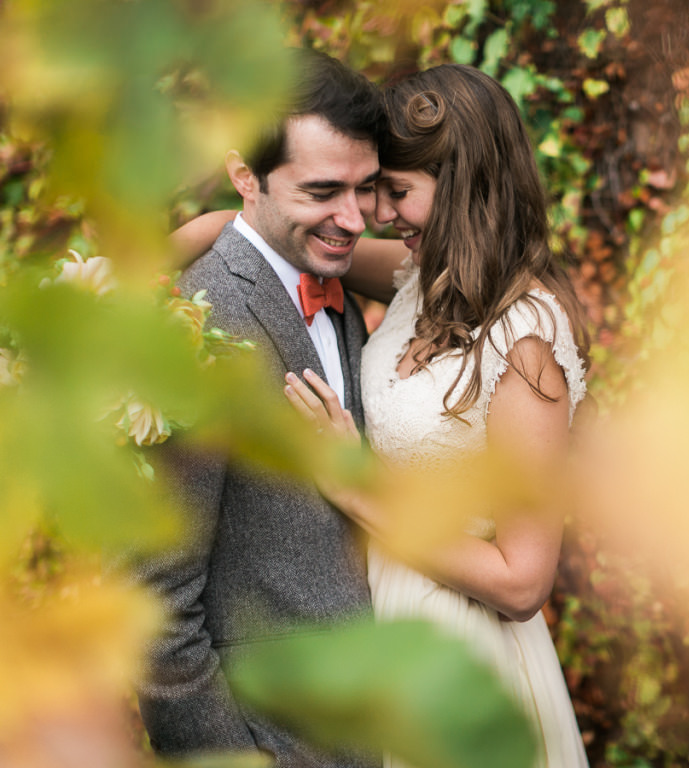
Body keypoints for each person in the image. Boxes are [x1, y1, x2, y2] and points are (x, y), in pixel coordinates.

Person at [176, 63, 591, 767]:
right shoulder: (418, 280)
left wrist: (356, 488)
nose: (377, 214)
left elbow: (524, 583)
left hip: (459, 643)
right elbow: (277, 239)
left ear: (462, 189)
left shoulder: (524, 339)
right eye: (375, 189)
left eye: (394, 192)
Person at [137, 48, 387, 768]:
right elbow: (157, 608)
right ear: (245, 177)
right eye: (322, 190)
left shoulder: (331, 289)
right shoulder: (192, 327)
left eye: (366, 188)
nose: (353, 218)